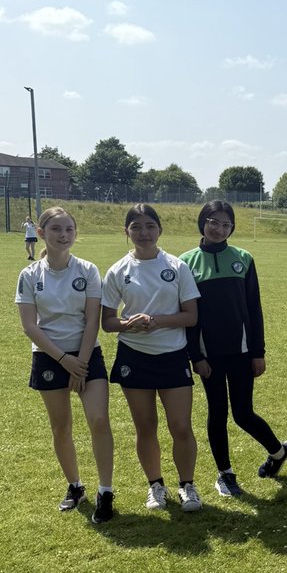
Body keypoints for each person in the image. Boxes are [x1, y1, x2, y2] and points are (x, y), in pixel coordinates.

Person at [180, 201, 287, 499]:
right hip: (209, 356)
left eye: (226, 224)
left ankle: (278, 452)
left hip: (242, 353)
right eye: (213, 222)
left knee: (243, 413)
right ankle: (225, 474)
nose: (219, 229)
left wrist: (258, 351)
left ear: (232, 228)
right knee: (217, 412)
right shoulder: (185, 263)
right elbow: (188, 316)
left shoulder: (243, 258)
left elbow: (254, 309)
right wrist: (196, 356)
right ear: (203, 222)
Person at [15, 206, 115, 524]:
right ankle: (75, 486)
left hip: (86, 355)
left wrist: (80, 363)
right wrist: (64, 360)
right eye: (56, 229)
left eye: (69, 229)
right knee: (61, 426)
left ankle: (105, 491)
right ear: (41, 233)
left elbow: (92, 321)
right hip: (49, 355)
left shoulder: (87, 270)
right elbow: (30, 326)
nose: (64, 235)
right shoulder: (30, 275)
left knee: (99, 420)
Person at [101, 204, 203, 512]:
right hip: (134, 356)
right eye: (136, 227)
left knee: (181, 426)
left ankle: (187, 486)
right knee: (145, 427)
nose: (143, 233)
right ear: (126, 231)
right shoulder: (118, 270)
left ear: (160, 229)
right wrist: (128, 324)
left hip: (172, 356)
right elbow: (108, 322)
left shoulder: (177, 266)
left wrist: (156, 321)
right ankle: (156, 486)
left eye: (150, 226)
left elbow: (191, 316)